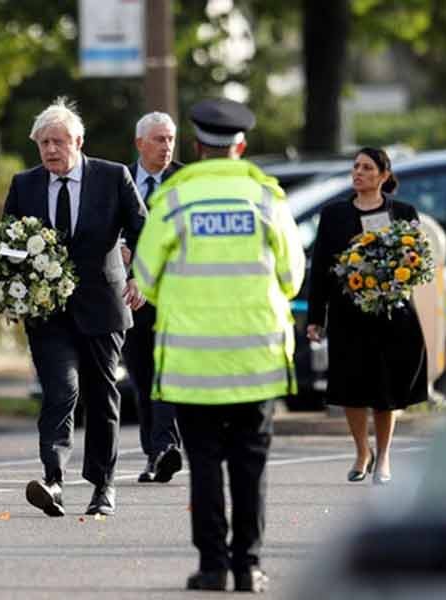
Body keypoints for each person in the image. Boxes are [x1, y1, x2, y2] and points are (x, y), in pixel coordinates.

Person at [134, 98, 304, 592]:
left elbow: (144, 279)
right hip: (255, 360)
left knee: (205, 462)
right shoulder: (267, 197)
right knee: (250, 465)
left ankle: (212, 567)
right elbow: (293, 277)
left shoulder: (173, 199)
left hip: (192, 363)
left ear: (195, 147)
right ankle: (248, 567)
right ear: (242, 147)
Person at [3, 98, 146, 517]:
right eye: (44, 143)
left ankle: (103, 485)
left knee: (102, 396)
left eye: (58, 142)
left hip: (103, 304)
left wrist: (141, 275)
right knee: (60, 390)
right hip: (46, 310)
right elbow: (7, 243)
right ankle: (53, 479)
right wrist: (10, 289)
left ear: (78, 141)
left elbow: (145, 231)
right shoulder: (24, 185)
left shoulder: (113, 177)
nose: (50, 150)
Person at [306, 147, 427, 486]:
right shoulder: (334, 215)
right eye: (355, 167)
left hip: (391, 317)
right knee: (350, 388)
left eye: (367, 168)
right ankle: (362, 451)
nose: (358, 173)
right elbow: (320, 271)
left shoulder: (403, 212)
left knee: (386, 390)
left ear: (384, 176)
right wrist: (316, 318)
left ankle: (384, 455)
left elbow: (415, 263)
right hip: (348, 316)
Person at [123, 111, 184, 484]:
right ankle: (155, 453)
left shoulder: (186, 181)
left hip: (176, 296)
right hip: (132, 298)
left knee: (168, 374)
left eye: (171, 139)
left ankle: (165, 449)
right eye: (159, 140)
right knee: (144, 379)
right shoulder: (119, 179)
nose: (166, 147)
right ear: (140, 143)